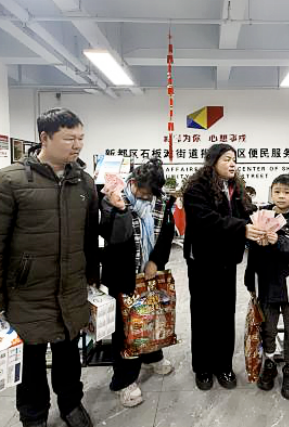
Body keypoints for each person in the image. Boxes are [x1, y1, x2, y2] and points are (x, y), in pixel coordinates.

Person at [0, 108, 99, 427]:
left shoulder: (84, 182)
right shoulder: (9, 181)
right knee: (30, 363)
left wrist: (92, 279)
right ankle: (33, 416)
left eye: (81, 138)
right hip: (26, 292)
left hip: (70, 289)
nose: (77, 145)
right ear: (44, 137)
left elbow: (89, 239)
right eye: (69, 138)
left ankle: (71, 405)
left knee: (69, 355)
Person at [182, 143, 264, 391]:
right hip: (203, 262)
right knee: (203, 315)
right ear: (213, 161)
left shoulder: (235, 187)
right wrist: (242, 228)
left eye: (234, 159)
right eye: (227, 158)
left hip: (227, 262)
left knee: (225, 315)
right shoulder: (196, 189)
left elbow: (246, 212)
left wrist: (264, 221)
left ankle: (224, 366)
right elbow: (206, 220)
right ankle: (203, 368)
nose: (232, 163)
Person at [99, 157, 176, 407]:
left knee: (151, 314)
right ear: (132, 181)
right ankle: (124, 380)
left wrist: (155, 261)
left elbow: (166, 235)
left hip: (150, 272)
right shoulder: (112, 198)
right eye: (141, 191)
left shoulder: (162, 201)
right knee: (125, 327)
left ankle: (152, 356)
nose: (144, 196)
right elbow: (110, 235)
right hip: (122, 274)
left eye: (150, 193)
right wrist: (120, 210)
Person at [244, 174, 289, 400]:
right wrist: (249, 281)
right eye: (277, 191)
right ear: (271, 193)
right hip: (267, 285)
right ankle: (270, 363)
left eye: (287, 192)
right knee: (268, 329)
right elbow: (252, 256)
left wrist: (278, 240)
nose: (282, 196)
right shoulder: (261, 216)